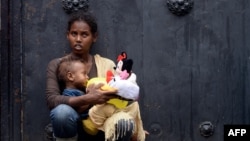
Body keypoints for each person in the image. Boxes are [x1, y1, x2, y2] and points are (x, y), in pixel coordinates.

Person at [45, 10, 142, 141]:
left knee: (123, 121)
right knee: (61, 113)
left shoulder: (107, 65)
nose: (78, 39)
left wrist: (137, 124)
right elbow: (52, 100)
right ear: (68, 35)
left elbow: (121, 95)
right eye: (74, 34)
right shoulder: (57, 64)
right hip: (71, 122)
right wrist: (90, 98)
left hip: (100, 121)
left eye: (84, 34)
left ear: (94, 37)